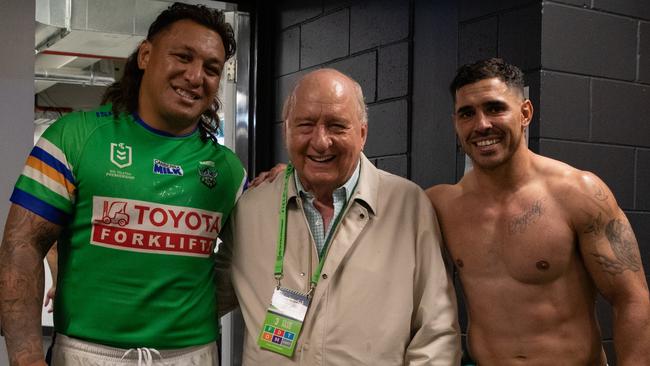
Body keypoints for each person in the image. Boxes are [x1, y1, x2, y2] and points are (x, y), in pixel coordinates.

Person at [0, 3, 246, 365]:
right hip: (87, 354)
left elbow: (245, 263)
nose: (196, 76)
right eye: (183, 57)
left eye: (211, 68)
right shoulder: (74, 136)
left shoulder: (228, 170)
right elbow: (21, 248)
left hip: (193, 355)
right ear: (145, 55)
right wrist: (26, 358)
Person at [216, 68, 461, 365]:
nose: (320, 142)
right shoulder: (251, 210)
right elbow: (200, 301)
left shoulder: (408, 205)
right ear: (286, 131)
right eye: (305, 125)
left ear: (362, 133)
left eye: (336, 126)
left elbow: (436, 332)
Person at [425, 58, 650, 365]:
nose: (481, 125)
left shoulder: (578, 192)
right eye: (467, 113)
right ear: (456, 123)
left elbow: (632, 299)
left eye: (495, 108)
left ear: (525, 113)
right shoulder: (441, 205)